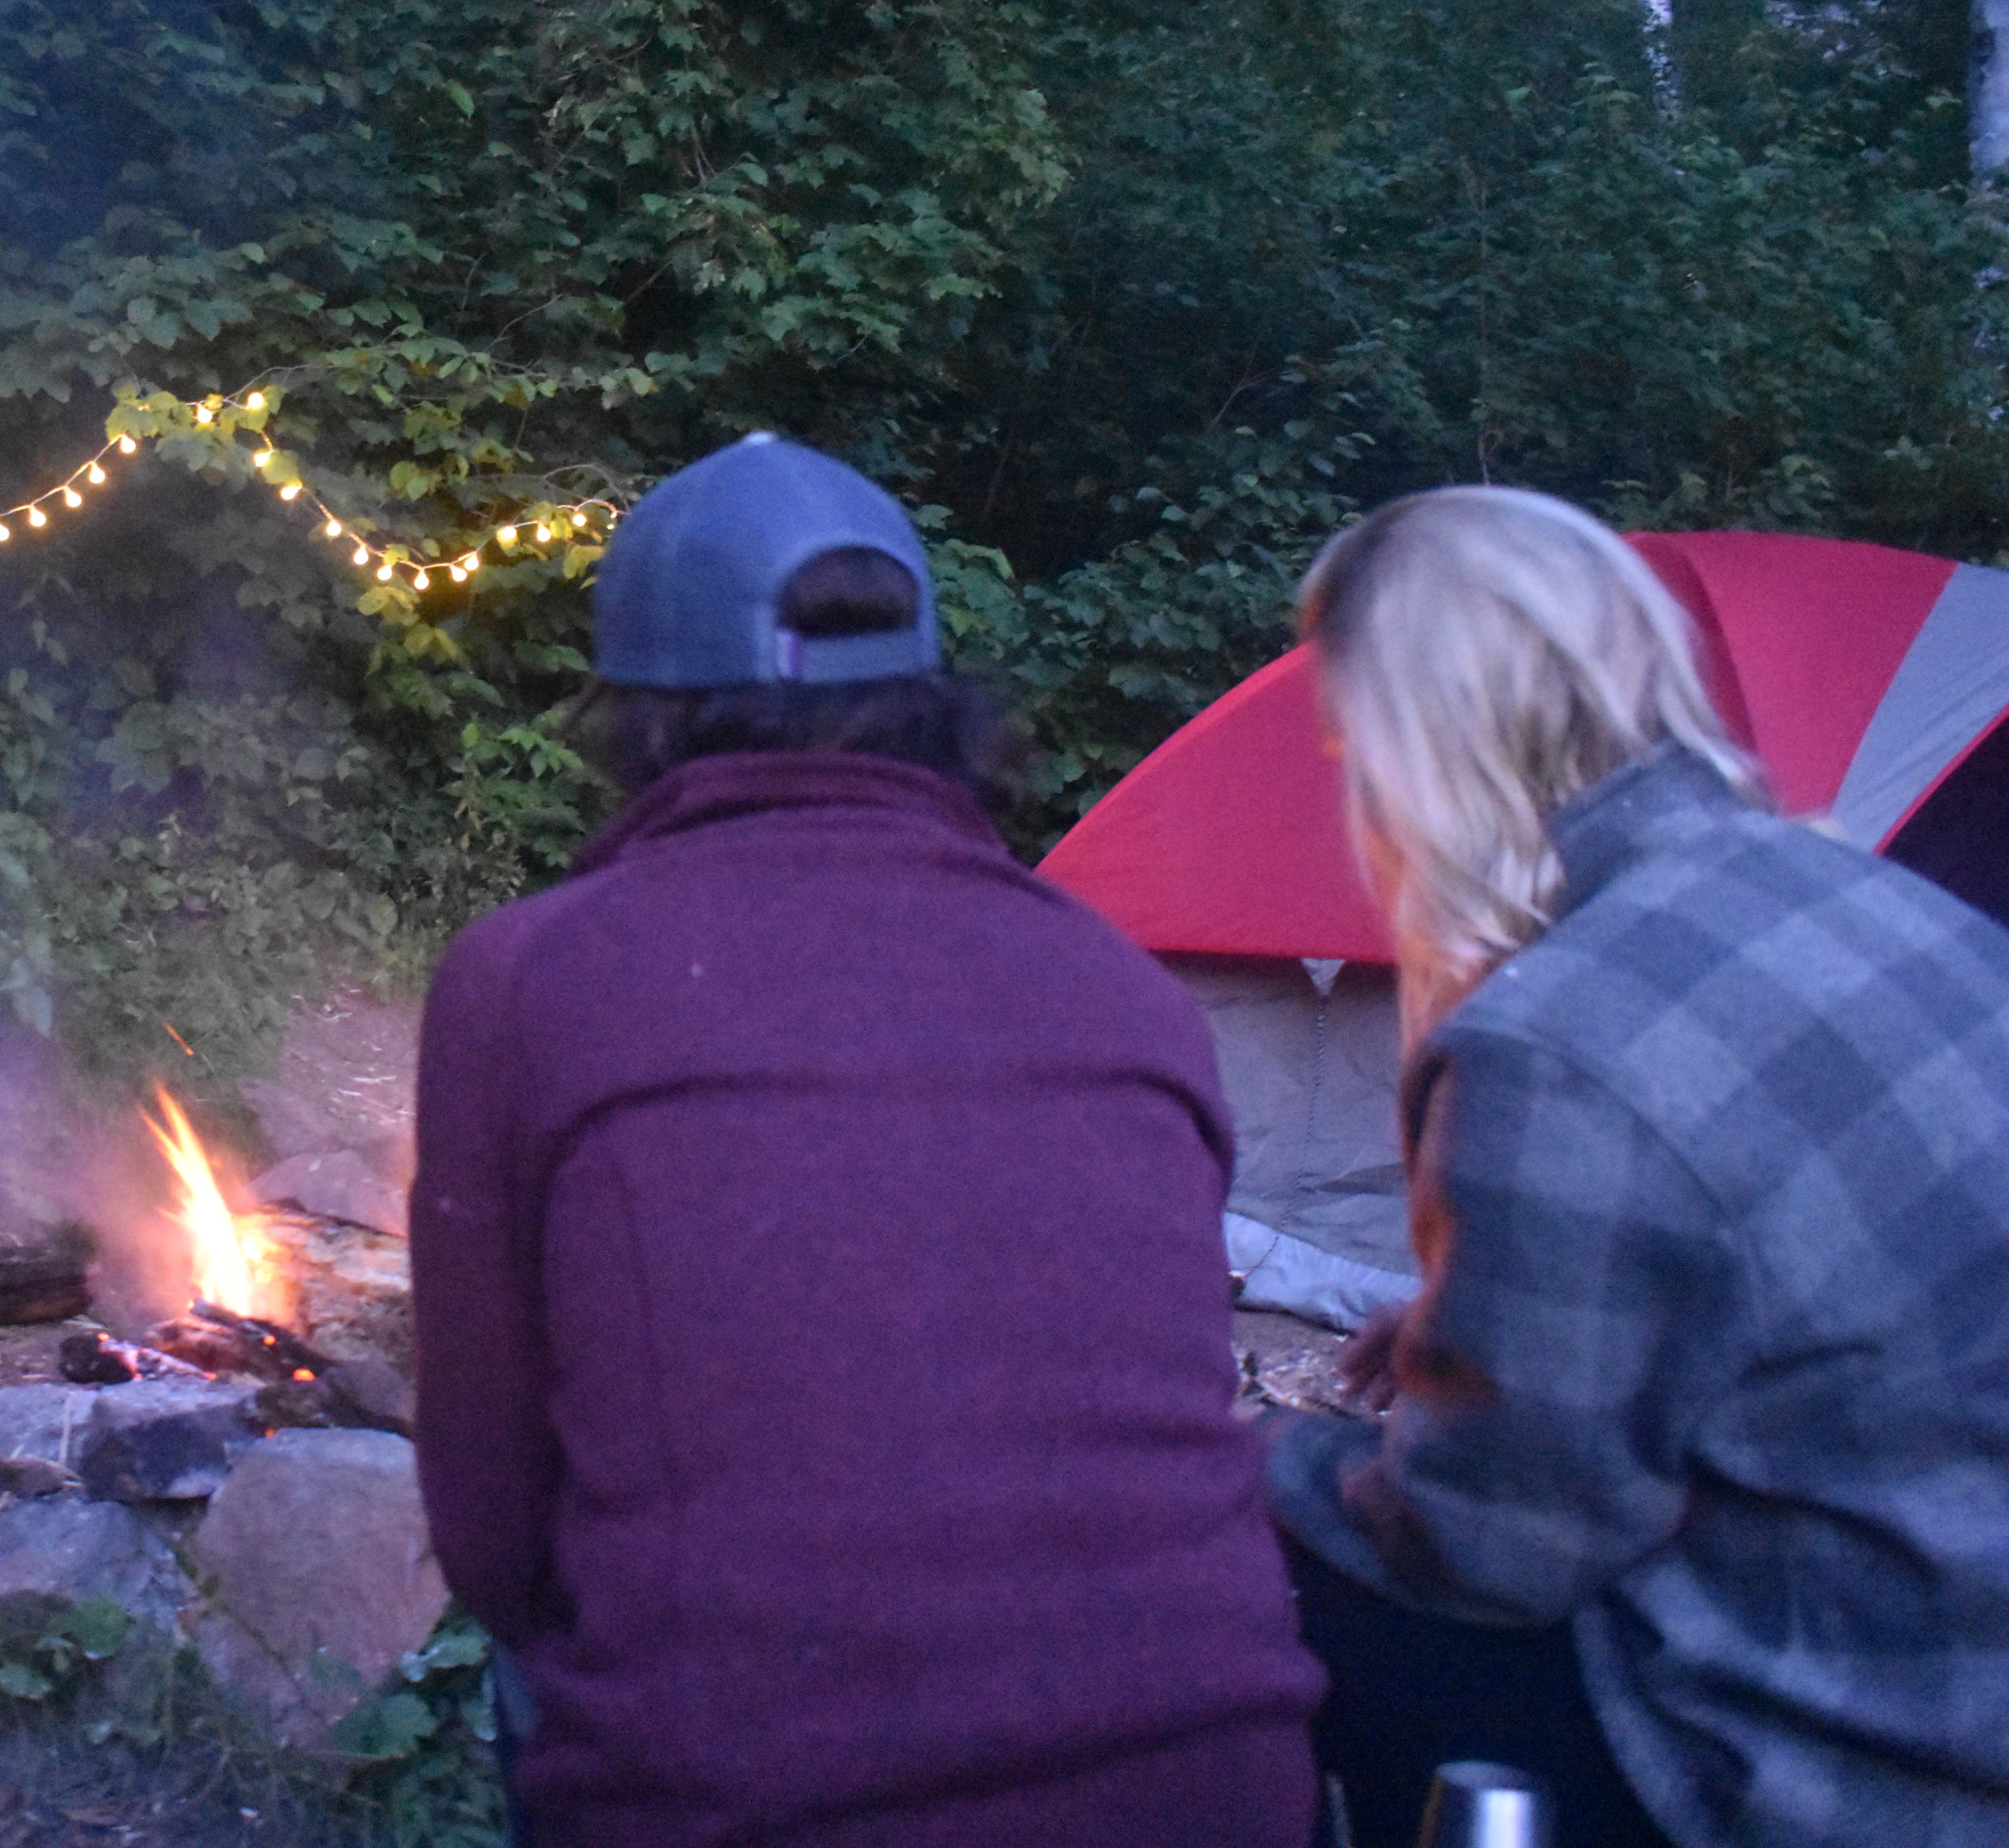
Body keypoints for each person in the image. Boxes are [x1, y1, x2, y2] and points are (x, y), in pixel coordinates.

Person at [408, 433, 1325, 1848]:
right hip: (1213, 1787)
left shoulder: (532, 982)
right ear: (933, 706)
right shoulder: (1127, 988)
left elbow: (495, 1533)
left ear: (635, 717)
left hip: (761, 1802)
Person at [1269, 487, 2009, 1848]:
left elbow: (1482, 1549)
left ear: (1413, 752)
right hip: (1960, 1661)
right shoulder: (1865, 898)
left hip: (1845, 1757)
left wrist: (1253, 1459)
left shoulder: (1552, 1045)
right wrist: (1460, 1332)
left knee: (1246, 1580)